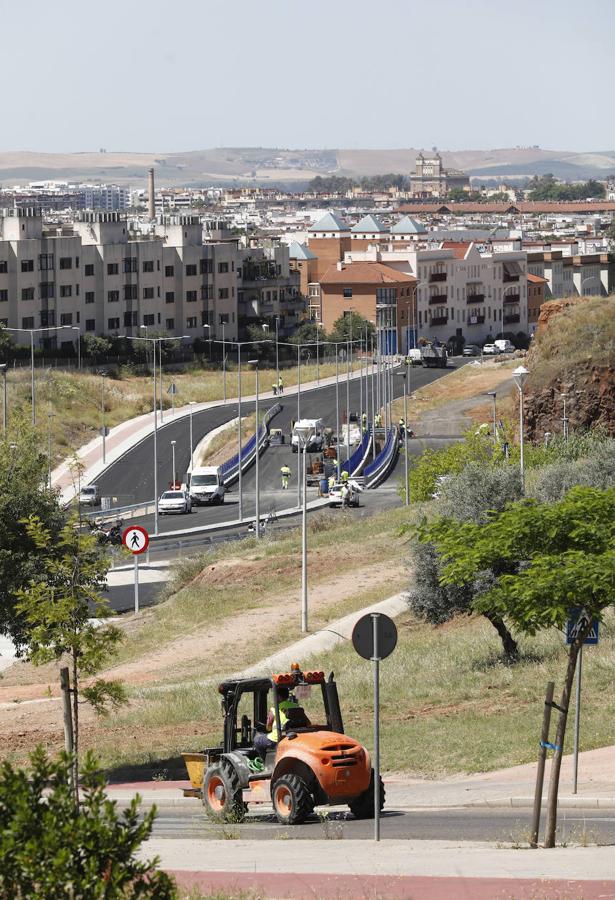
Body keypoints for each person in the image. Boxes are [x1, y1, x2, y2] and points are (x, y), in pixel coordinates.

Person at [253, 687, 302, 761]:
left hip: (277, 738)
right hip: (293, 736)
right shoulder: (296, 706)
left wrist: (268, 728)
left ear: (278, 696)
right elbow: (308, 722)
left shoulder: (274, 709)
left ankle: (263, 763)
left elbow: (268, 727)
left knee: (257, 740)